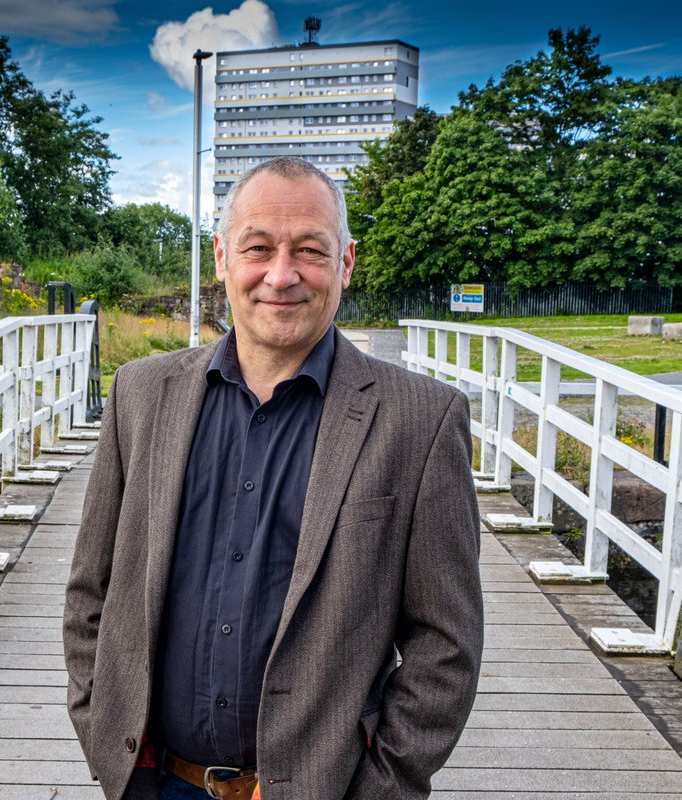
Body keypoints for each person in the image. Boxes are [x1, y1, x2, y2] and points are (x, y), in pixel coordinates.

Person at [63, 156, 483, 800]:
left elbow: (445, 644)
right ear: (222, 257)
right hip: (153, 781)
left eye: (310, 251)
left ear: (344, 263)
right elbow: (92, 587)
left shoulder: (421, 421)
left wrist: (379, 786)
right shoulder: (140, 395)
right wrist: (102, 727)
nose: (281, 276)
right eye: (258, 248)